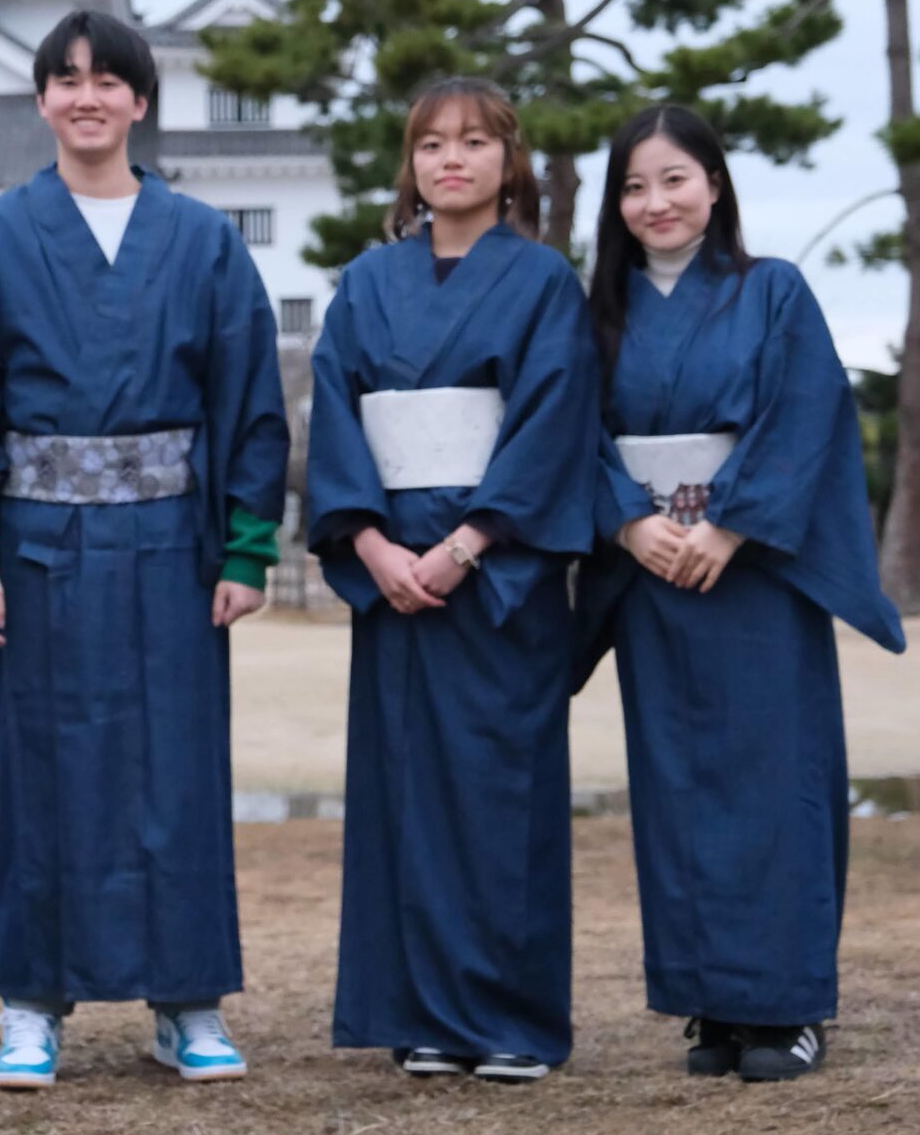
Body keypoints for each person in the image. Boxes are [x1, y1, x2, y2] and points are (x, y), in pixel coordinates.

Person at [0, 9, 290, 1092]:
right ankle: (32, 1002)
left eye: (107, 79)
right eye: (66, 79)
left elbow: (248, 397)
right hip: (38, 548)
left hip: (173, 543)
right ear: (41, 101)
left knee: (180, 768)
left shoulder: (204, 240)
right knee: (44, 767)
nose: (87, 96)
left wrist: (247, 548)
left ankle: (187, 999)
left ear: (139, 100)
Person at [576, 103, 906, 1084]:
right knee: (674, 788)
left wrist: (728, 524)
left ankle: (788, 1004)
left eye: (674, 178)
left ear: (714, 185)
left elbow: (806, 414)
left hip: (752, 575)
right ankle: (711, 1004)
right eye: (634, 186)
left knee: (774, 782)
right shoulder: (599, 313)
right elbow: (571, 432)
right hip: (650, 575)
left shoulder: (773, 292)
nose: (656, 202)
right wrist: (628, 523)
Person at [305, 76, 601, 1085]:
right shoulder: (365, 283)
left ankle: (513, 1019)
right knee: (404, 795)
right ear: (411, 164)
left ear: (509, 162)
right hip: (393, 573)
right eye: (432, 143)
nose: (452, 160)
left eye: (475, 141)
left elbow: (554, 420)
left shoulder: (544, 281)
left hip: (498, 576)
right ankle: (422, 1014)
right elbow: (335, 415)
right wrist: (373, 547)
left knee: (501, 792)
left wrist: (467, 543)